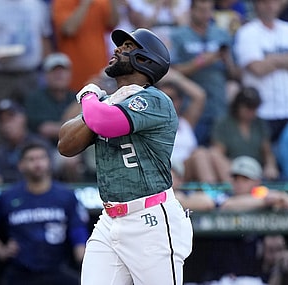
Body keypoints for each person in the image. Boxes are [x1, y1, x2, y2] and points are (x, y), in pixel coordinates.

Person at [58, 28, 193, 285]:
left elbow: (105, 123)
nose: (117, 49)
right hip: (110, 220)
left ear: (145, 59)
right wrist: (100, 103)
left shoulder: (156, 100)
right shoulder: (108, 102)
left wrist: (88, 96)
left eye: (128, 47)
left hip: (151, 219)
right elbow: (66, 144)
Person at [0, 142, 89, 285]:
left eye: (41, 158)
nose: (37, 164)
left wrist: (82, 254)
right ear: (21, 165)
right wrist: (1, 250)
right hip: (21, 272)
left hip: (58, 269)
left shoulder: (66, 195)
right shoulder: (8, 197)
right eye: (31, 159)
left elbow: (77, 227)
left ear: (49, 162)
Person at [234, 0, 288, 143]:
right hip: (260, 110)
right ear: (257, 5)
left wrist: (272, 59)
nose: (270, 6)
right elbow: (258, 68)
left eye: (273, 2)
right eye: (265, 2)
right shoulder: (247, 32)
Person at [170, 0, 240, 146]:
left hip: (219, 105)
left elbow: (235, 74)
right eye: (201, 10)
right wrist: (200, 62)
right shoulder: (178, 35)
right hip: (191, 107)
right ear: (191, 10)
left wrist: (227, 60)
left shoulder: (221, 34)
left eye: (208, 10)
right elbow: (172, 72)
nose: (205, 15)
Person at [24, 52, 88, 182]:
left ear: (69, 74)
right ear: (46, 75)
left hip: (77, 146)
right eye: (54, 71)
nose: (59, 75)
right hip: (45, 149)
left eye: (63, 71)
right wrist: (76, 125)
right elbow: (46, 130)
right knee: (70, 160)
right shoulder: (36, 98)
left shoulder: (75, 96)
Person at [209, 86, 280, 183]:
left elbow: (267, 152)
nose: (251, 112)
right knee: (213, 154)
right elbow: (217, 153)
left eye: (254, 108)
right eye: (248, 107)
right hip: (232, 170)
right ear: (238, 106)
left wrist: (270, 166)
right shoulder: (224, 124)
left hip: (255, 170)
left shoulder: (259, 124)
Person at [51, 0, 119, 92]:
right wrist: (85, 3)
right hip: (73, 76)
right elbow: (69, 29)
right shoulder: (62, 2)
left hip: (98, 74)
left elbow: (113, 22)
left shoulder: (101, 1)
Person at [0, 99, 53, 186]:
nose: (7, 125)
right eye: (2, 120)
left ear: (23, 118)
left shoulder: (39, 145)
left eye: (11, 118)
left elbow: (49, 176)